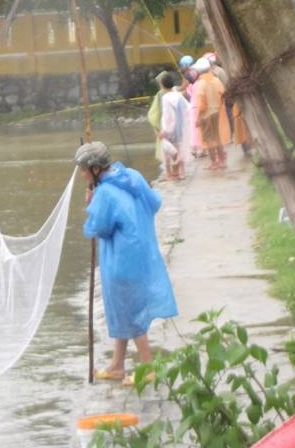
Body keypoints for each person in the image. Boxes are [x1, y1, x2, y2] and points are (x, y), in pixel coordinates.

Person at [74, 142, 178, 384]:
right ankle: (117, 365)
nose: (81, 175)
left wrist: (90, 205)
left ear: (96, 169)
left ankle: (147, 368)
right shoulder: (132, 176)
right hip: (142, 251)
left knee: (130, 314)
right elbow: (154, 202)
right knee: (121, 310)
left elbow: (98, 227)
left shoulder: (104, 194)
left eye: (83, 169)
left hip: (121, 259)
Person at [193, 57, 229, 169]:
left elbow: (201, 104)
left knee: (209, 141)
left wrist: (198, 118)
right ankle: (222, 160)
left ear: (198, 71)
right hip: (218, 112)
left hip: (206, 115)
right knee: (218, 138)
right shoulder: (216, 80)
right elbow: (223, 94)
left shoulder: (201, 84)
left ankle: (214, 162)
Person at [157, 71, 189, 180]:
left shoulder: (165, 98)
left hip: (170, 130)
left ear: (162, 85)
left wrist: (164, 131)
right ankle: (182, 173)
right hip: (179, 128)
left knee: (167, 152)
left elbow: (167, 116)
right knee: (180, 148)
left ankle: (169, 174)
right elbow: (187, 108)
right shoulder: (178, 95)